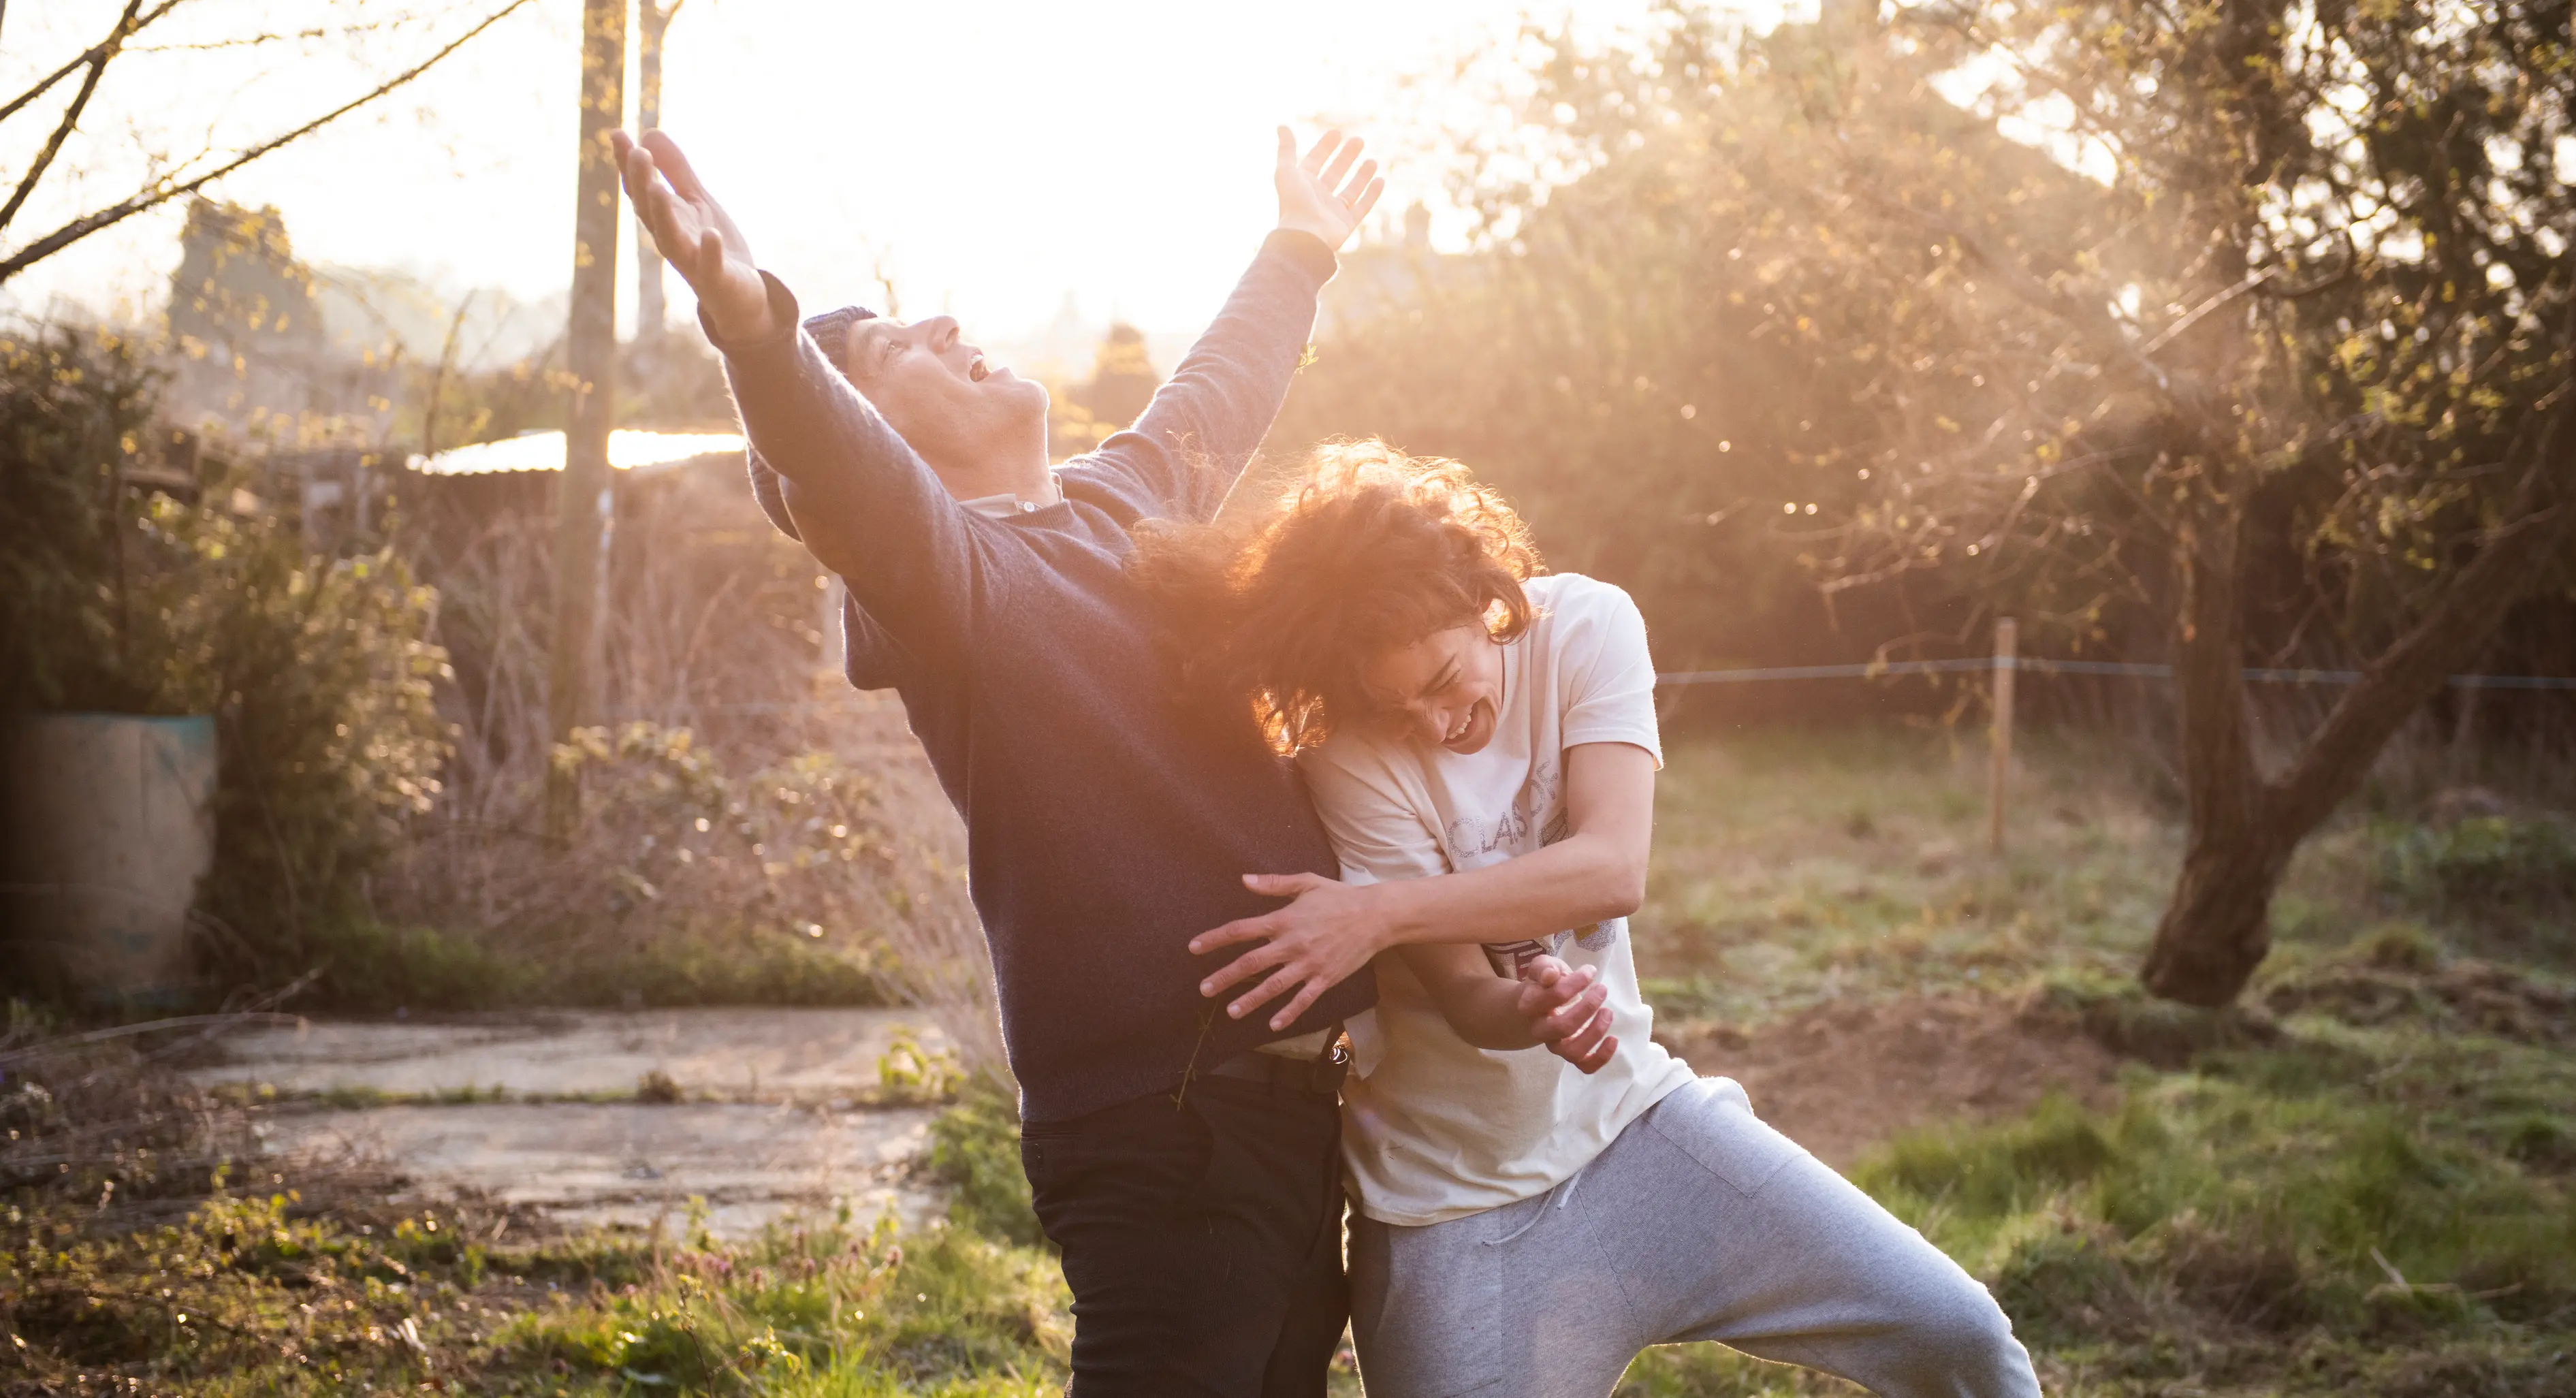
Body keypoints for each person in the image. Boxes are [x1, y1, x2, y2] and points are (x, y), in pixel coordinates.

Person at [608, 127, 1612, 1396]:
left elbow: (1221, 385)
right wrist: (758, 330)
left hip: (1292, 1116)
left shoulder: (1122, 505)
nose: (945, 328)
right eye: (894, 352)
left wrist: (1301, 239)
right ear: (882, 442)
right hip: (1165, 1123)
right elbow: (839, 478)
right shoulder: (954, 582)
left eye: (923, 320)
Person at [1135, 443, 2045, 1398]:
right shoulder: (1349, 755)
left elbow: (1612, 868)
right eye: (1397, 707)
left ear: (1480, 594)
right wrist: (1534, 1010)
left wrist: (1375, 913)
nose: (1437, 724)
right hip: (1456, 1215)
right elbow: (1467, 1002)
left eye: (1447, 680)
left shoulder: (1587, 627)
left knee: (1961, 1338)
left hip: (1637, 1129)